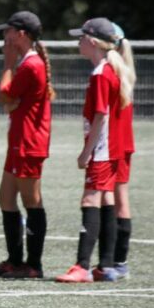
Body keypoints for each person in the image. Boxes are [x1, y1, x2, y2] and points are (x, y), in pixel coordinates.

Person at [57, 18, 134, 283]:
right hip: (110, 150)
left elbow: (101, 115)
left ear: (92, 42)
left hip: (102, 149)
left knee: (89, 200)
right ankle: (106, 265)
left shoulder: (102, 73)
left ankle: (82, 265)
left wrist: (86, 152)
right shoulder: (111, 70)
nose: (78, 42)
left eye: (81, 38)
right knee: (107, 201)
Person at [0, 11, 52, 279]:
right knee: (5, 198)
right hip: (19, 140)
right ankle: (15, 260)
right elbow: (10, 102)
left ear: (21, 34)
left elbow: (4, 96)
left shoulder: (29, 65)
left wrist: (7, 64)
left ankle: (33, 265)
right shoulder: (28, 63)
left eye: (8, 32)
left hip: (29, 142)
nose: (5, 37)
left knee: (31, 201)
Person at [111, 23, 136, 279]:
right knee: (119, 201)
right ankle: (117, 260)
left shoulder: (113, 73)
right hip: (122, 144)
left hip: (115, 145)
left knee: (115, 201)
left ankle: (117, 261)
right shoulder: (125, 72)